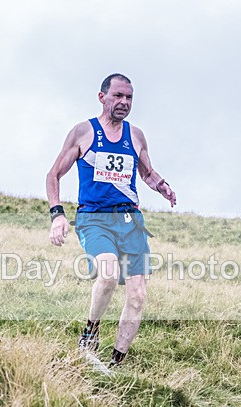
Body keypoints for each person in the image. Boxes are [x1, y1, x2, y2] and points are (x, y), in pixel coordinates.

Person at [46, 73, 177, 373]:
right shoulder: (83, 133)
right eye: (118, 96)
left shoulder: (136, 135)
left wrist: (162, 185)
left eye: (129, 98)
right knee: (107, 274)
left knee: (138, 295)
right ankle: (89, 336)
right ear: (102, 97)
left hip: (131, 221)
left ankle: (115, 365)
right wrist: (57, 215)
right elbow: (53, 175)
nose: (124, 103)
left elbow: (147, 173)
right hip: (95, 219)